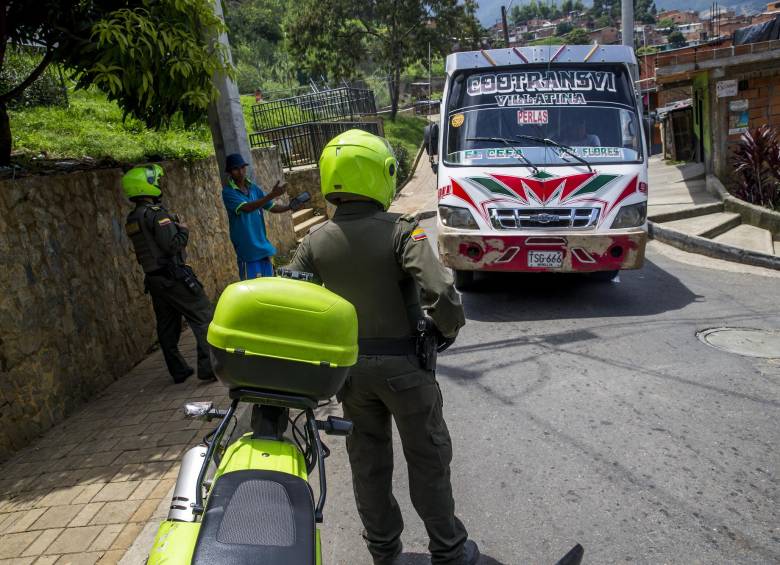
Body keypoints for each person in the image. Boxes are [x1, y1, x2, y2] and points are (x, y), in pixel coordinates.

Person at [286, 130, 479, 565]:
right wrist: (444, 331)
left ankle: (383, 552)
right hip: (406, 369)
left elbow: (288, 295)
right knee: (427, 458)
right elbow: (443, 294)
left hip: (351, 376)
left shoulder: (315, 240)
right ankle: (448, 550)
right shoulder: (401, 232)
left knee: (368, 466)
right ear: (380, 173)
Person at [122, 165, 215, 384]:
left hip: (155, 280)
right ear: (146, 185)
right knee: (203, 316)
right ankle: (209, 367)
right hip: (173, 276)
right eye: (155, 182)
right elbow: (171, 246)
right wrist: (183, 230)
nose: (159, 185)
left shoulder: (133, 218)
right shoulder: (156, 215)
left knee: (167, 327)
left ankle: (179, 370)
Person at [221, 153, 291, 280]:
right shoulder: (228, 192)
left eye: (242, 168)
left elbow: (271, 207)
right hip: (248, 253)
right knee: (253, 292)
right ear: (230, 172)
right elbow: (247, 208)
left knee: (270, 289)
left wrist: (290, 207)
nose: (241, 172)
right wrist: (271, 195)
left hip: (264, 250)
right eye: (236, 169)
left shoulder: (253, 188)